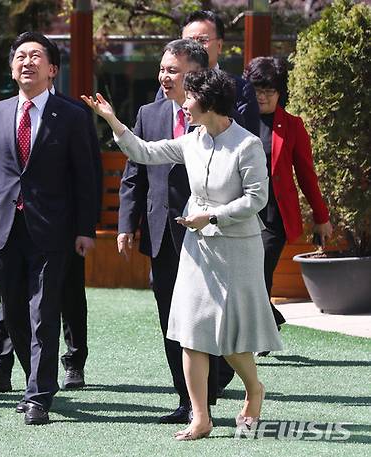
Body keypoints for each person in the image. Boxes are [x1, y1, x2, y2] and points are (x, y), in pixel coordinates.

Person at [83, 68, 283, 439]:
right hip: (197, 249)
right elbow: (143, 151)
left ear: (208, 102)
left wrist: (213, 216)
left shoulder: (247, 145)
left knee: (230, 336)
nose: (183, 104)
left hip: (237, 250)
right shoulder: (191, 140)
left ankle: (254, 389)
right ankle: (200, 417)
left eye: (189, 97)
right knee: (190, 332)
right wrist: (111, 119)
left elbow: (257, 199)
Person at [0, 31, 97, 425]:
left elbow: (85, 177)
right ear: (12, 66)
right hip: (5, 227)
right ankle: (31, 381)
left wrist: (85, 229)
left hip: (53, 230)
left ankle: (39, 394)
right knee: (14, 312)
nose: (27, 62)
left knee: (43, 311)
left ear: (52, 69)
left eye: (36, 56)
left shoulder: (72, 115)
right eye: (20, 56)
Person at [118, 39, 221, 425]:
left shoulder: (215, 115)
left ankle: (217, 379)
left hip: (206, 234)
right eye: (162, 69)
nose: (164, 76)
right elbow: (135, 175)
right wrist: (127, 224)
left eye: (172, 70)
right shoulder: (149, 113)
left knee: (209, 316)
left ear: (194, 74)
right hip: (161, 233)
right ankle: (188, 400)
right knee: (171, 318)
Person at [243, 56, 332, 342]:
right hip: (242, 211)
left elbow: (306, 174)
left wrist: (322, 217)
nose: (263, 96)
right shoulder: (238, 119)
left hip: (274, 216)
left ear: (280, 92)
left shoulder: (292, 126)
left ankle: (260, 333)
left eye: (269, 90)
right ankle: (271, 318)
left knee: (260, 271)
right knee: (246, 274)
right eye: (257, 89)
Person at [156, 10, 259, 137]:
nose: (194, 46)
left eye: (202, 40)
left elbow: (248, 140)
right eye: (188, 40)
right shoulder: (168, 86)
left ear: (220, 45)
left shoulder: (240, 89)